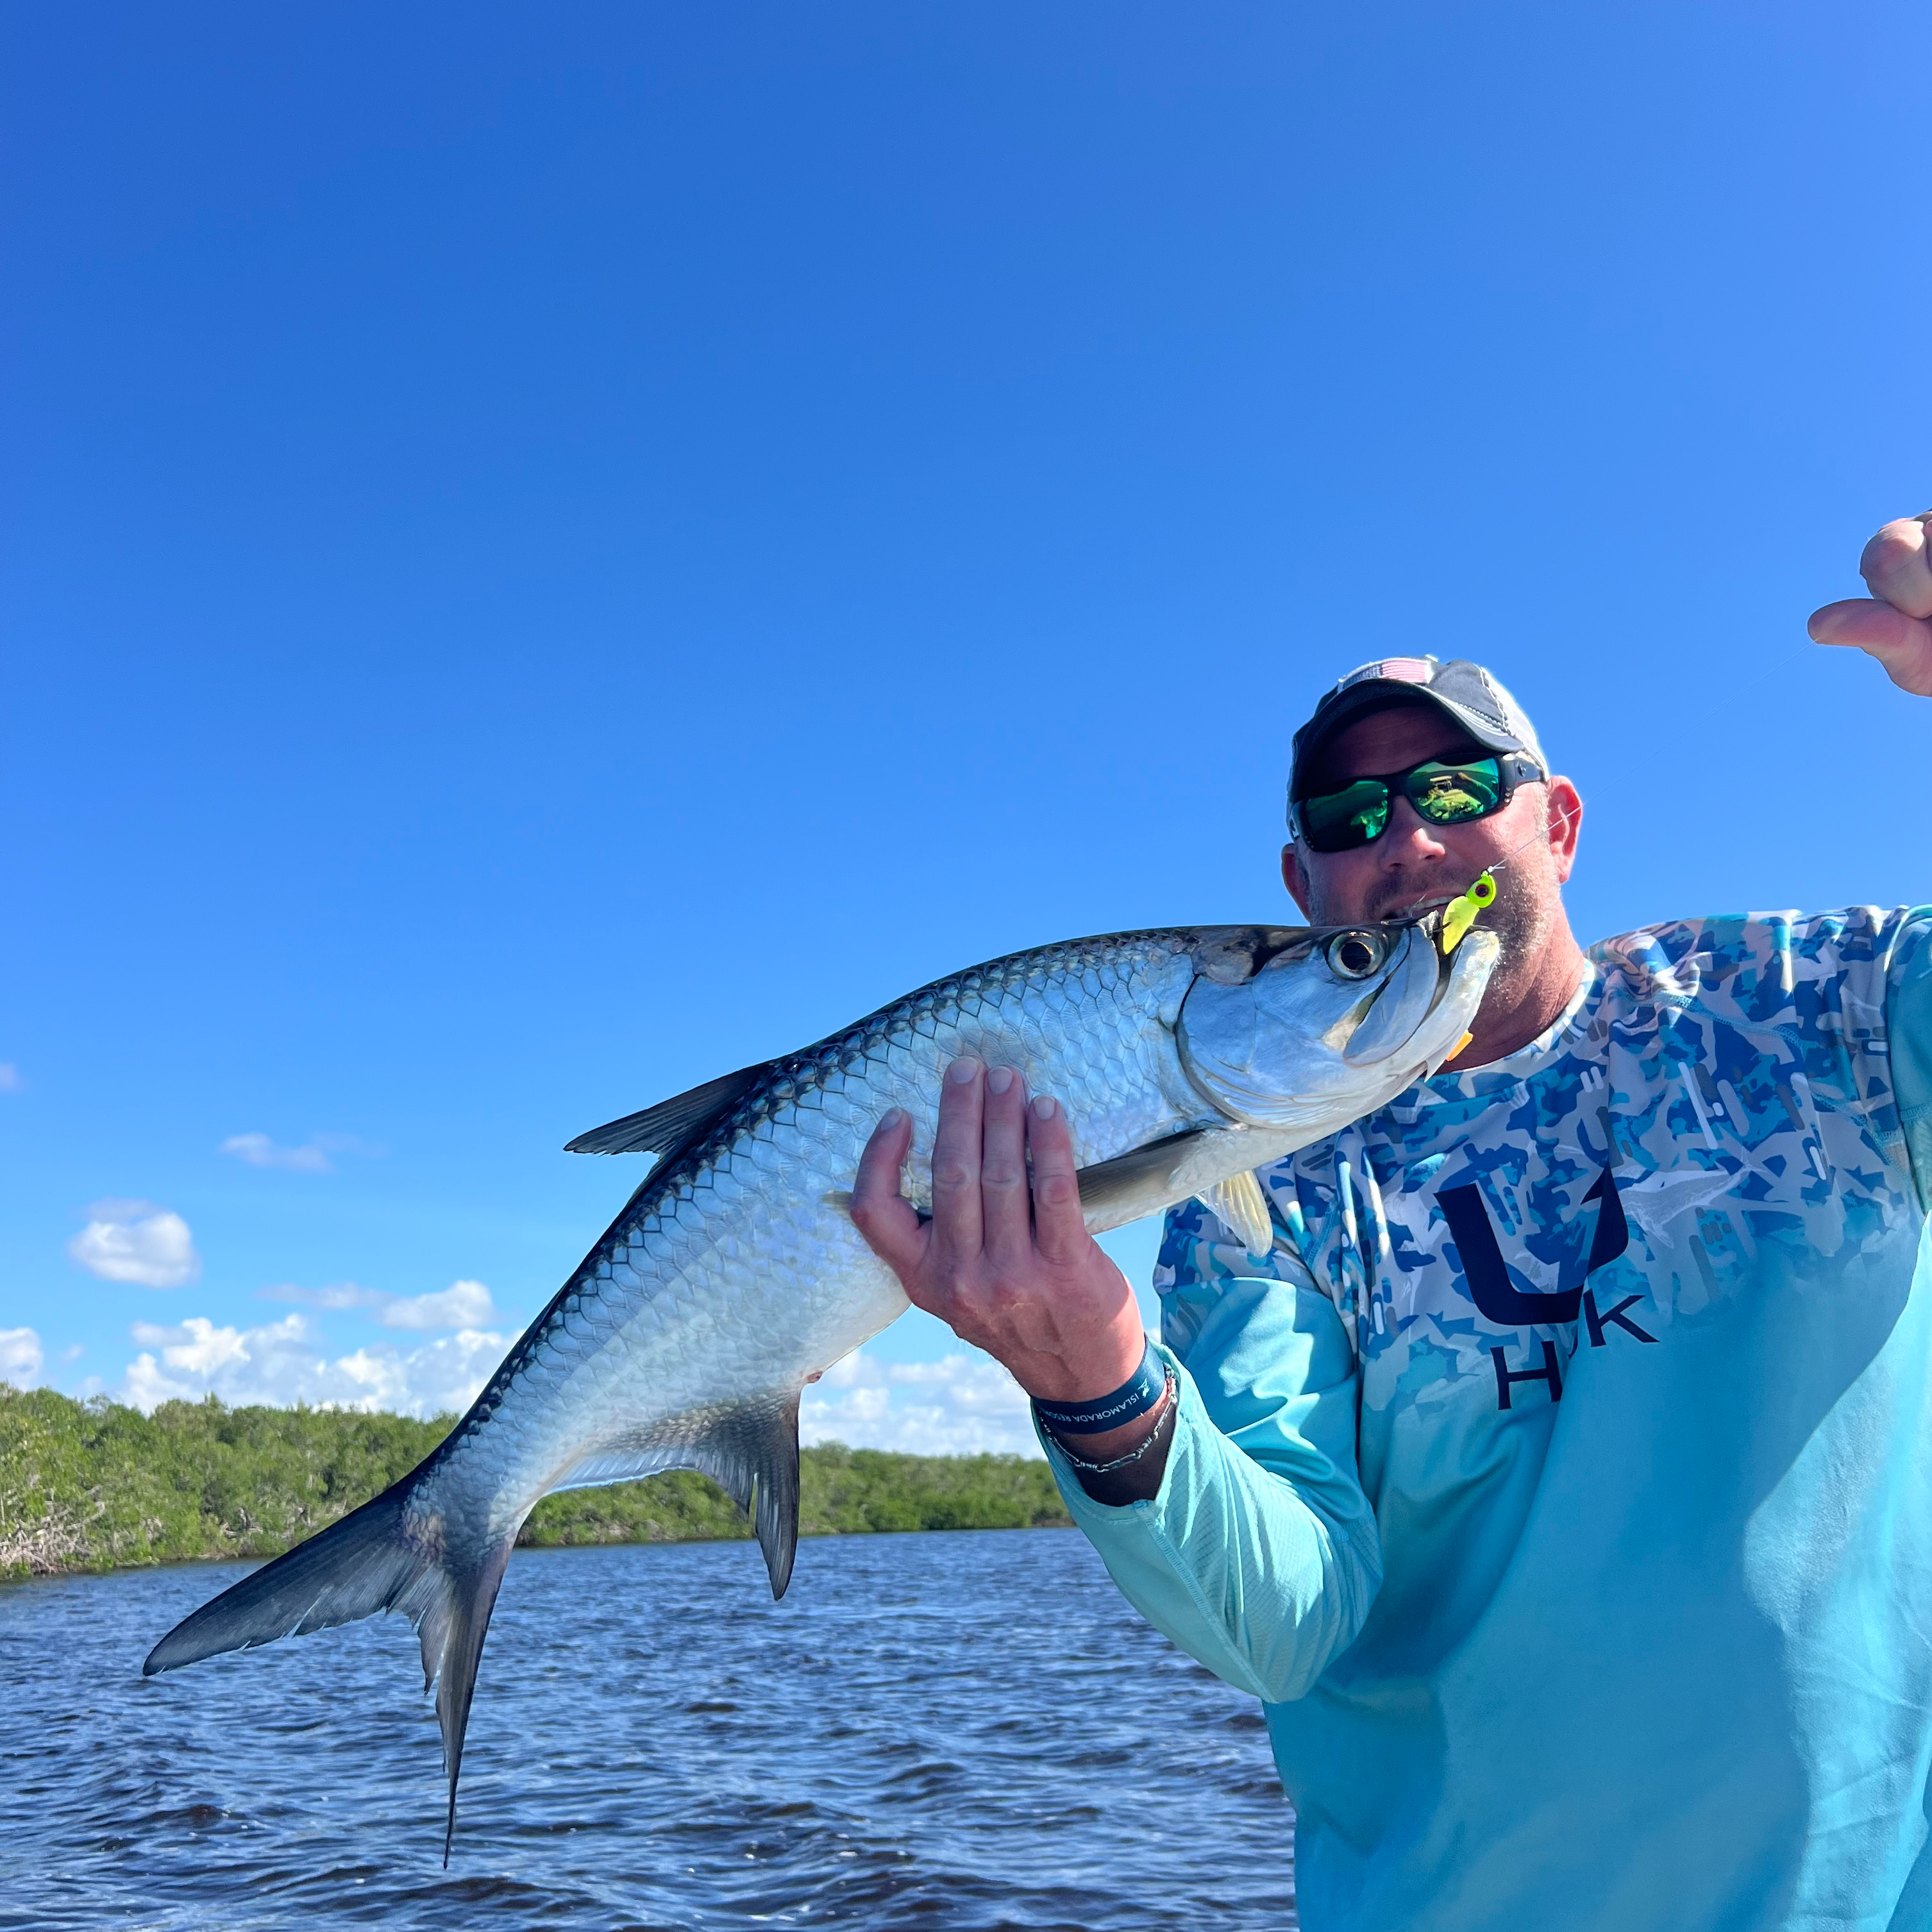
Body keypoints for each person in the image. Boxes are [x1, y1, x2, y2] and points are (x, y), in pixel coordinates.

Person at [850, 512, 1932, 1930]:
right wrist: (1097, 1385)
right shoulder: (1258, 1194)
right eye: (1349, 820)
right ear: (1301, 890)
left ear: (1557, 821)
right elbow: (1290, 1621)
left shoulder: (1821, 1006)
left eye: (1456, 785)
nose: (1409, 838)